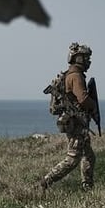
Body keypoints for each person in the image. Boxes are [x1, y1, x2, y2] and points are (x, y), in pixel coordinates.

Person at [41, 42, 96, 191]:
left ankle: (87, 187)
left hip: (75, 120)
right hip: (75, 122)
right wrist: (93, 106)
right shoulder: (76, 76)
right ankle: (46, 181)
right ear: (77, 58)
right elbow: (83, 98)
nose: (88, 61)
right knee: (73, 159)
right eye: (85, 57)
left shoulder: (70, 74)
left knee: (88, 156)